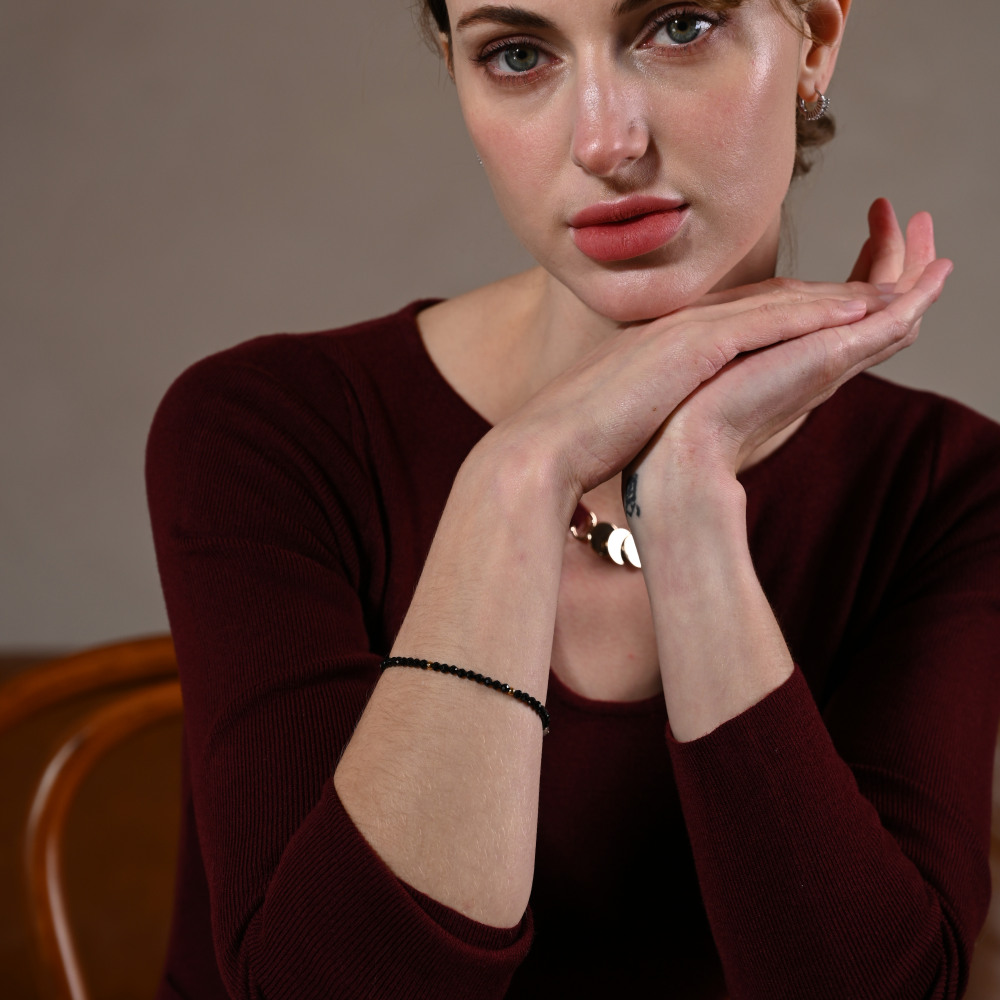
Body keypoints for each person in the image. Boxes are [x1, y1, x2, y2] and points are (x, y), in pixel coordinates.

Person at [146, 1, 1000, 997]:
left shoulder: (945, 489)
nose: (603, 141)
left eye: (678, 26)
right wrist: (521, 473)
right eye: (516, 54)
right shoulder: (268, 428)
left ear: (814, 38)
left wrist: (686, 500)